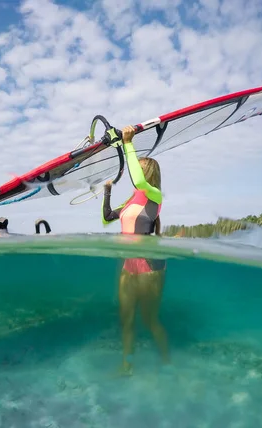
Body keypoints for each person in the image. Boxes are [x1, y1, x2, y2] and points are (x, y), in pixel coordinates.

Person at [101, 125, 169, 375]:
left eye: (138, 168)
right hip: (128, 264)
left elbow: (138, 180)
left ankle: (166, 363)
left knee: (149, 321)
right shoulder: (131, 201)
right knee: (126, 321)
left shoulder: (155, 196)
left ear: (147, 172)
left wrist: (128, 143)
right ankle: (126, 366)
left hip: (150, 266)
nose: (134, 173)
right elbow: (107, 217)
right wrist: (107, 190)